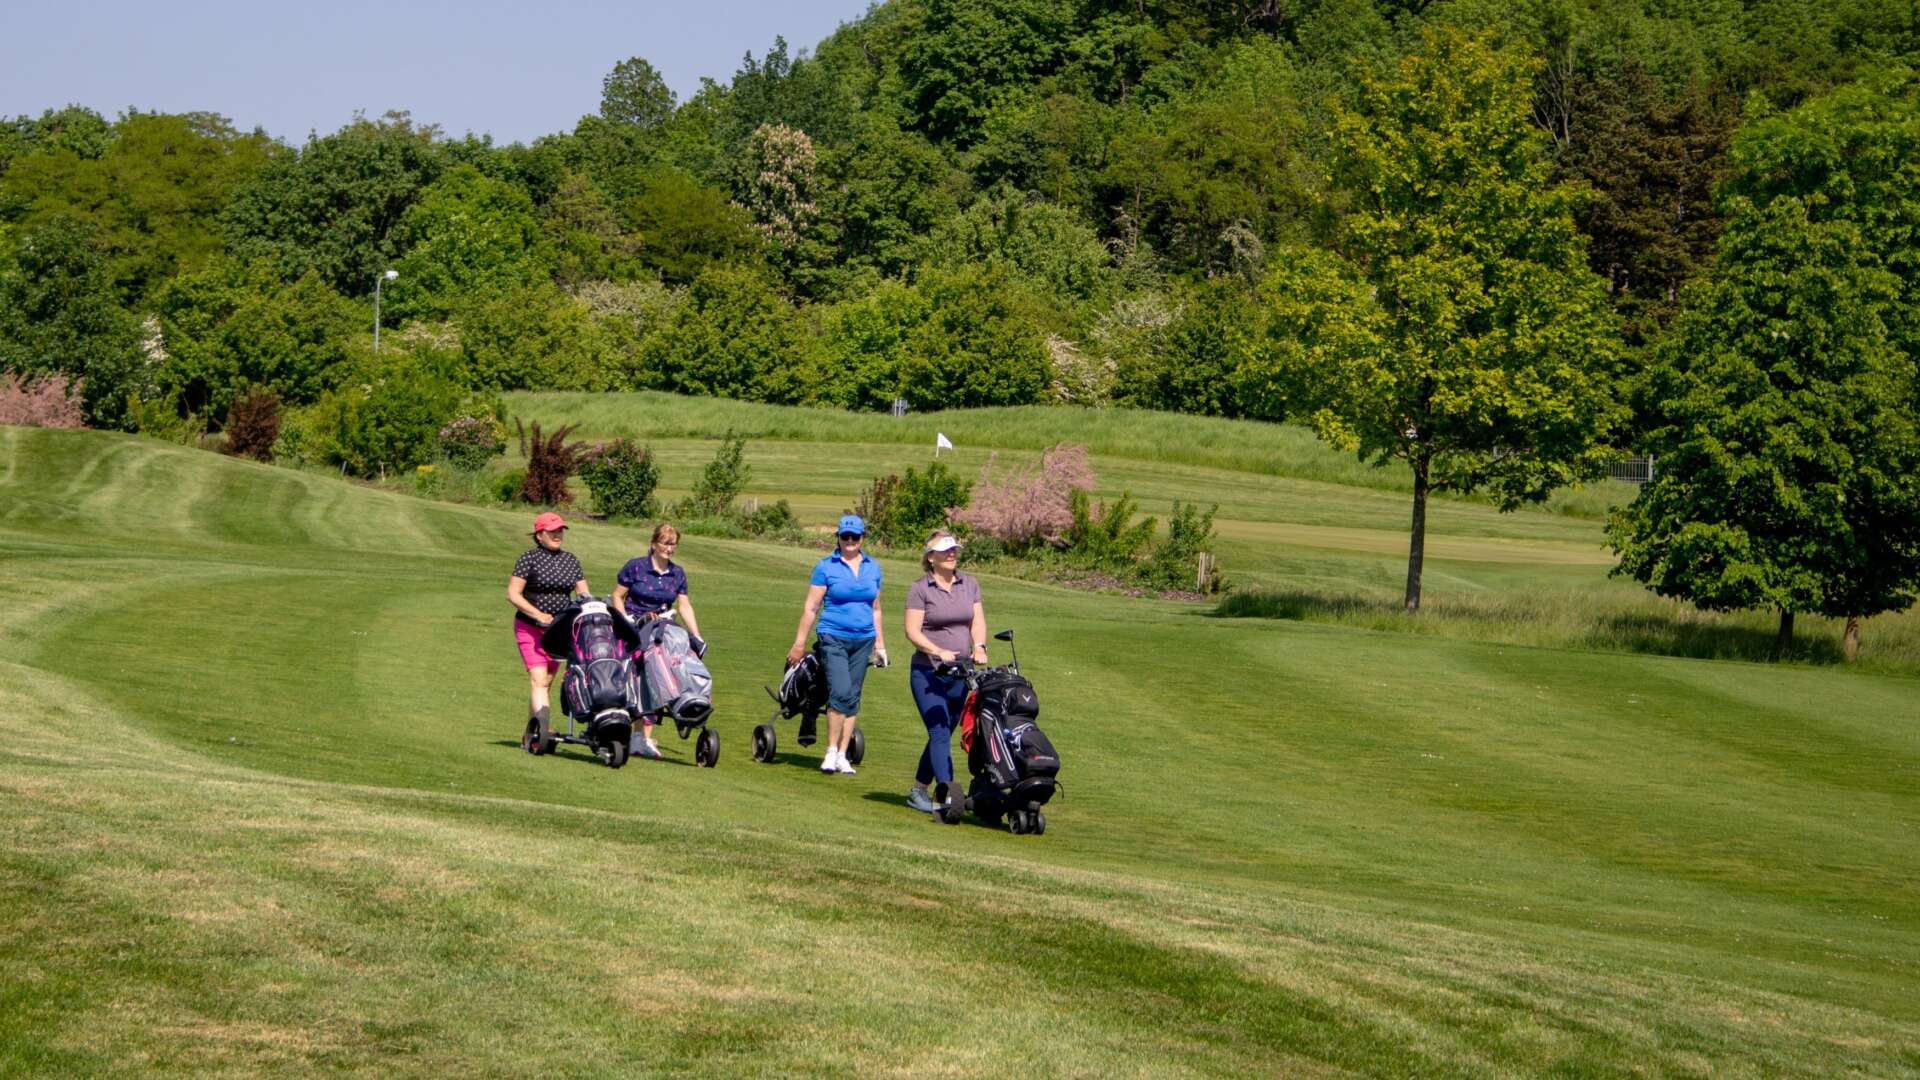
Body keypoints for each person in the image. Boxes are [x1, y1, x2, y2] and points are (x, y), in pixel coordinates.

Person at [787, 514, 888, 774]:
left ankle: (843, 755)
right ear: (839, 538)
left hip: (863, 639)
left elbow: (876, 608)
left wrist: (880, 645)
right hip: (832, 636)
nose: (850, 541)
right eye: (845, 536)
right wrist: (799, 643)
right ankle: (831, 751)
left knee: (853, 695)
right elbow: (811, 607)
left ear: (863, 538)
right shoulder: (825, 567)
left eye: (855, 536)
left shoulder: (873, 567)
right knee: (840, 691)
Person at [901, 529, 989, 813]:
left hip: (960, 674)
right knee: (939, 731)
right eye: (945, 551)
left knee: (943, 733)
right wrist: (937, 650)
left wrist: (980, 646)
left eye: (954, 550)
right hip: (928, 674)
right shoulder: (920, 589)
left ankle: (918, 790)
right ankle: (948, 794)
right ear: (931, 557)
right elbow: (912, 631)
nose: (952, 554)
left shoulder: (969, 584)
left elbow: (977, 622)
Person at [613, 522, 703, 759]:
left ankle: (643, 737)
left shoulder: (677, 573)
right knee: (641, 676)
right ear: (654, 544)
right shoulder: (636, 567)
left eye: (673, 544)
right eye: (665, 543)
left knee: (662, 673)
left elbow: (684, 605)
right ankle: (637, 736)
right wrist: (625, 619)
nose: (669, 549)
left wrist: (696, 635)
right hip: (634, 626)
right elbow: (617, 595)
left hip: (661, 629)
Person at [506, 512, 589, 743]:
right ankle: (543, 729)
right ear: (539, 535)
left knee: (546, 682)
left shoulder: (571, 560)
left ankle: (531, 732)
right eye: (552, 531)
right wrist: (538, 614)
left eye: (560, 530)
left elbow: (583, 593)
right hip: (530, 628)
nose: (557, 534)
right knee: (539, 679)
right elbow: (513, 594)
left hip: (559, 632)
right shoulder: (528, 559)